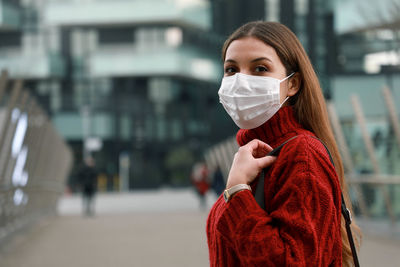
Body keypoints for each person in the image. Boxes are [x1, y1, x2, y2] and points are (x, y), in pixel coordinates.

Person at [206, 21, 361, 267]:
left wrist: (237, 191)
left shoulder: (303, 154)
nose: (241, 81)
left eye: (259, 69)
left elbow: (293, 262)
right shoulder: (252, 155)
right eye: (231, 69)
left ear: (293, 84)